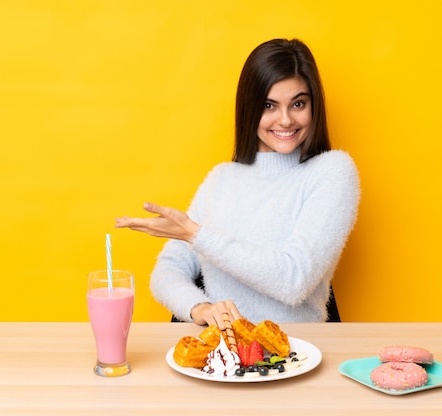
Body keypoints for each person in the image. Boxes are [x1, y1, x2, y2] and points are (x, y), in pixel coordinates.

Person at [115, 38, 360, 329]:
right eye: (269, 105)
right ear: (249, 108)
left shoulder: (332, 171)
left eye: (298, 104)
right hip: (226, 358)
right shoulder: (221, 178)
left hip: (297, 353)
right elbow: (168, 270)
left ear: (313, 105)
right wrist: (200, 308)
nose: (285, 120)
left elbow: (294, 281)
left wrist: (197, 235)